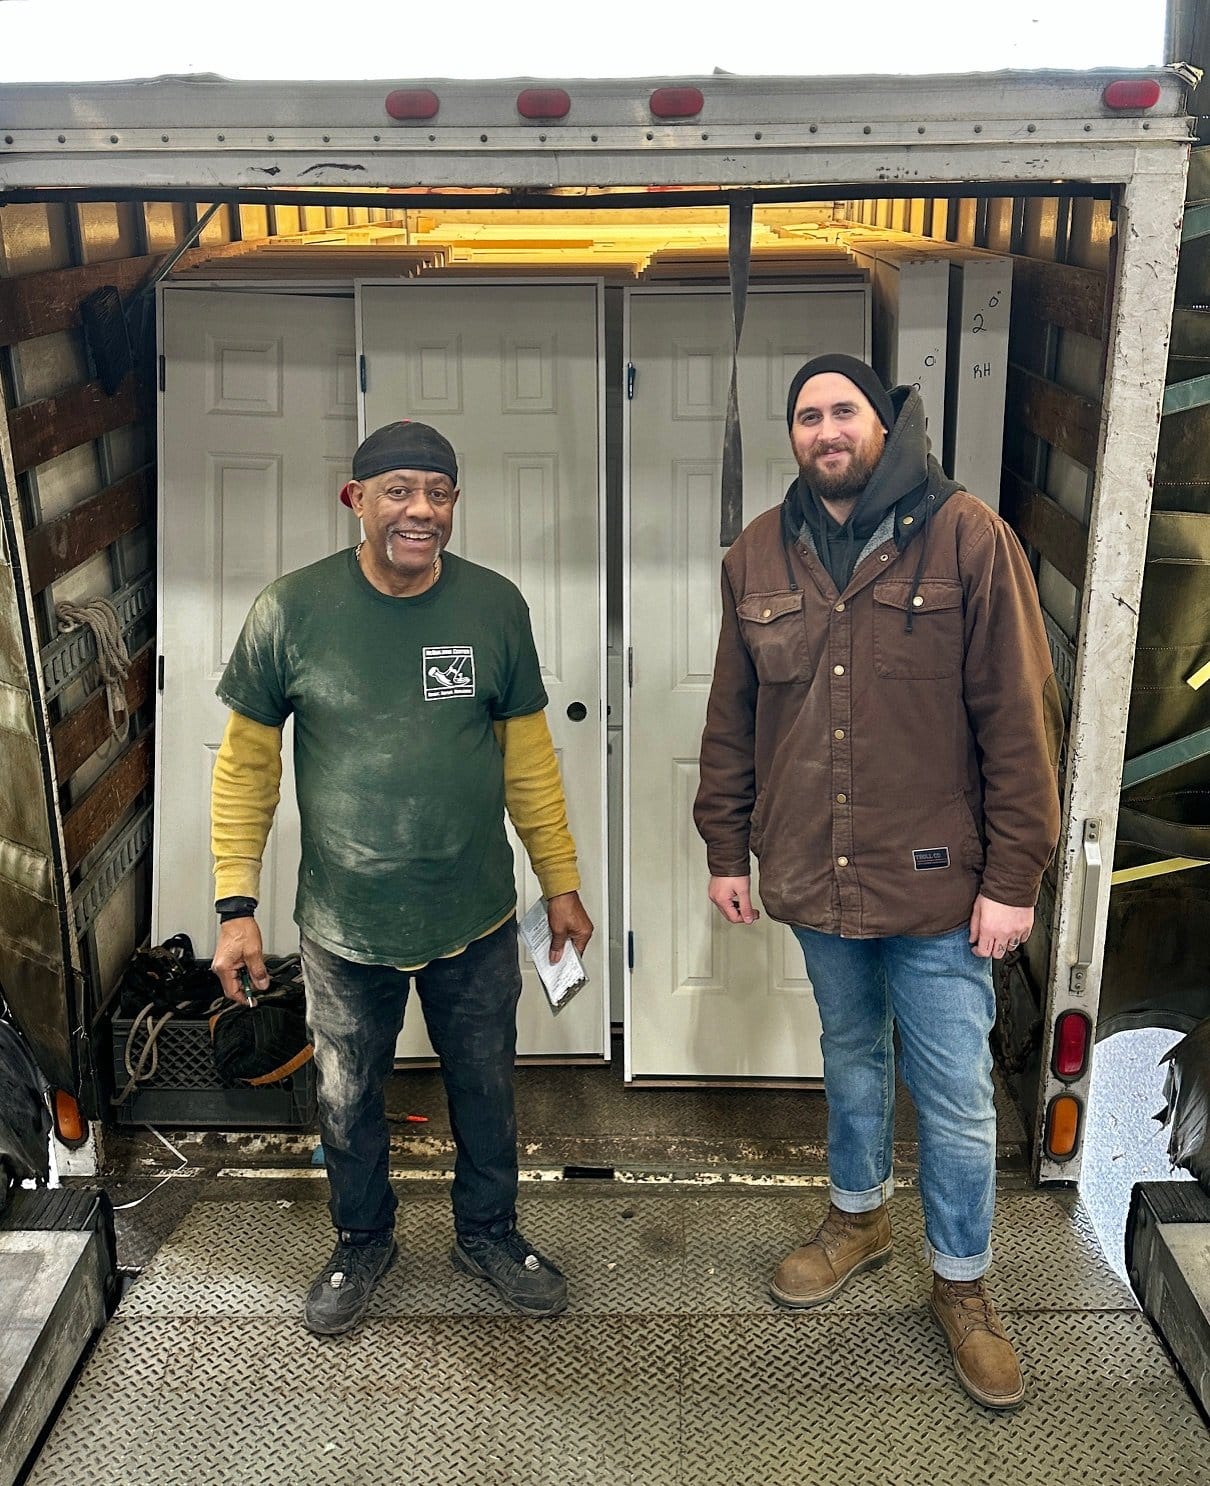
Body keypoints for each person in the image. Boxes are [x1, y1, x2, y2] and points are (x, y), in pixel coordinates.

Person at [693, 354, 1062, 1410]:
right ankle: (858, 1218)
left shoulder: (966, 537)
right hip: (815, 872)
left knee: (951, 1091)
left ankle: (961, 1284)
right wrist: (726, 846)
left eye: (840, 410)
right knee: (850, 1054)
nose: (823, 430)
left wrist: (1014, 877)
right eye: (806, 416)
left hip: (944, 885)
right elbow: (733, 717)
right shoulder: (759, 551)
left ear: (881, 423)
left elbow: (1016, 719)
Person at [209, 419, 593, 1336]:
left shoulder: (495, 608)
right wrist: (236, 906)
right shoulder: (290, 611)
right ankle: (362, 1237)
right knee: (347, 1095)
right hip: (344, 921)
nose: (419, 510)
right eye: (398, 492)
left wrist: (563, 882)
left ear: (454, 505)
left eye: (438, 493)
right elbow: (245, 769)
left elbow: (529, 762)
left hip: (474, 913)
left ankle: (488, 1231)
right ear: (356, 500)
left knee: (486, 1087)